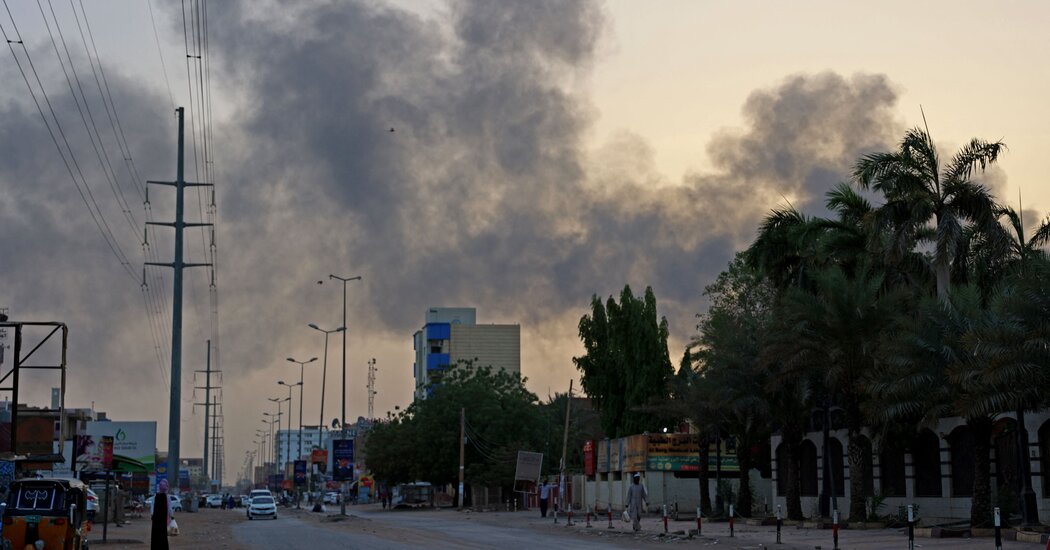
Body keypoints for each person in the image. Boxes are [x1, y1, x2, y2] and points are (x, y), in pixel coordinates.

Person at [150, 480, 171, 550]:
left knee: (155, 535)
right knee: (163, 535)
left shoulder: (155, 496)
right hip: (163, 520)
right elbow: (170, 509)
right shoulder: (167, 497)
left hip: (156, 520)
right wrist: (171, 517)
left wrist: (152, 515)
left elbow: (152, 507)